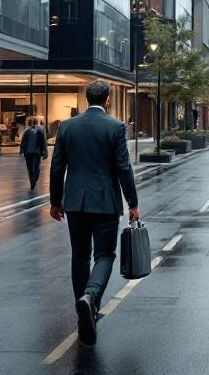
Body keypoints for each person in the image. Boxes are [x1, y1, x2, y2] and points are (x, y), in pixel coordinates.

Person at [50, 80, 139, 348]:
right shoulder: (115, 127)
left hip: (75, 202)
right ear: (108, 100)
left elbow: (57, 168)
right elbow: (124, 168)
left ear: (86, 99)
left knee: (79, 257)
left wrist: (56, 201)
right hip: (105, 203)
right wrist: (132, 202)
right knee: (105, 255)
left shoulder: (66, 127)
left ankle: (84, 315)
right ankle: (90, 298)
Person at [19, 116, 47, 189]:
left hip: (32, 152)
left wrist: (21, 149)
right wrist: (45, 151)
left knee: (31, 167)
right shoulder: (35, 131)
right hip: (33, 152)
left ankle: (33, 180)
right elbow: (43, 142)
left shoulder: (35, 131)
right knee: (33, 167)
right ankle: (33, 180)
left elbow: (23, 141)